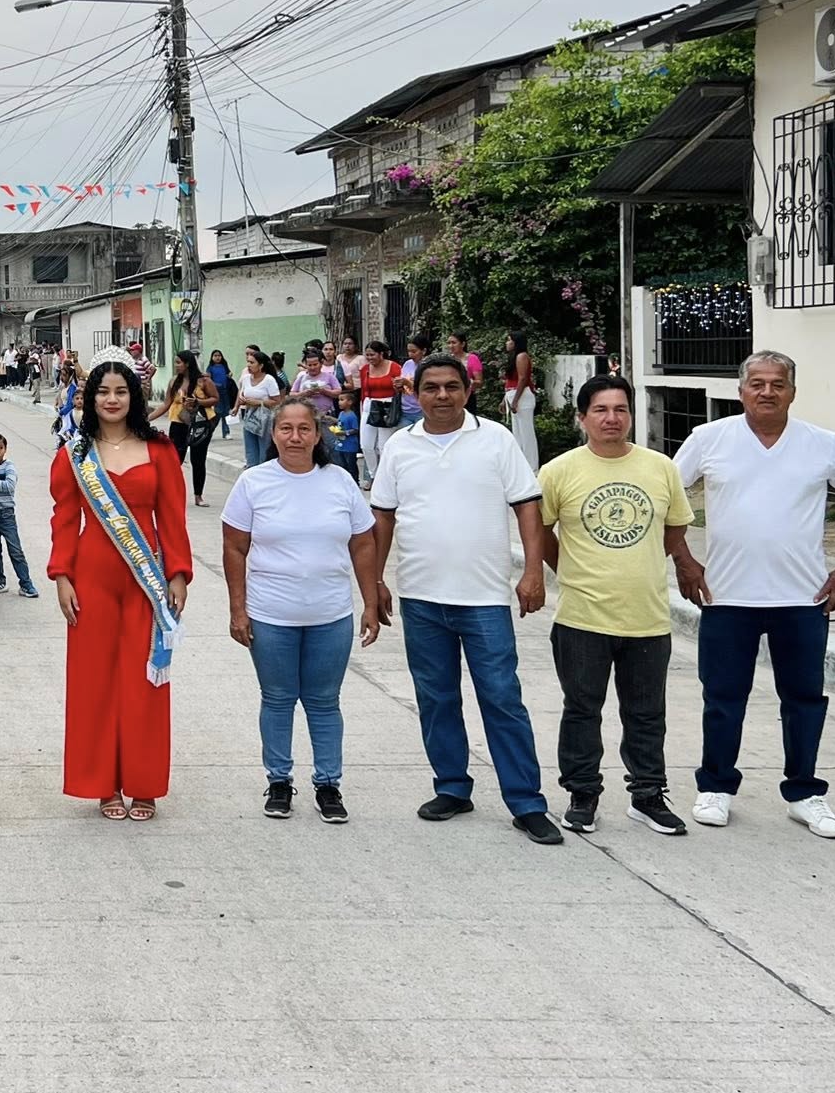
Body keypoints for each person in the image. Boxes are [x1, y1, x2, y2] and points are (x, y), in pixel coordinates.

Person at [672, 351, 835, 838]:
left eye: (778, 383)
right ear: (740, 390)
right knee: (723, 697)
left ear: (793, 391)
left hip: (803, 598)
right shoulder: (709, 439)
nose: (767, 392)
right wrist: (684, 560)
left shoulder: (823, 444)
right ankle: (715, 786)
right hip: (728, 596)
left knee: (804, 699)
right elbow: (664, 495)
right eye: (757, 383)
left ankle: (805, 793)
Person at [369, 353, 562, 846]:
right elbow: (383, 516)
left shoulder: (495, 439)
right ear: (415, 394)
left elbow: (527, 506)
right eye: (430, 387)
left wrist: (534, 572)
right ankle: (452, 787)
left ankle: (527, 802)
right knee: (436, 698)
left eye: (451, 387)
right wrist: (374, 581)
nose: (441, 396)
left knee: (501, 697)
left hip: (484, 599)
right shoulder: (400, 447)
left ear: (468, 390)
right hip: (420, 597)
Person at [537, 374, 697, 836]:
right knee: (581, 710)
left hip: (647, 617)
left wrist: (644, 560)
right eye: (601, 410)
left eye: (621, 409)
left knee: (646, 714)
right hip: (582, 617)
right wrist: (569, 569)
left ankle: (647, 795)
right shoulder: (558, 471)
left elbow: (676, 526)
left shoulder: (660, 468)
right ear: (582, 418)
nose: (612, 418)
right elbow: (539, 531)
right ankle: (582, 794)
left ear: (631, 415)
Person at [48, 351, 191, 822]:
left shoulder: (160, 450)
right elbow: (64, 519)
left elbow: (172, 518)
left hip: (146, 579)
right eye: (103, 392)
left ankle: (144, 784)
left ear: (134, 396)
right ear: (90, 398)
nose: (112, 399)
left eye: (121, 391)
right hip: (92, 578)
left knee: (145, 680)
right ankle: (104, 785)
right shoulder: (75, 455)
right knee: (95, 683)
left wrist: (177, 573)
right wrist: (62, 576)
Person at [224, 395, 379, 824]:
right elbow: (234, 548)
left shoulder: (340, 481)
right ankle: (278, 781)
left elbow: (363, 544)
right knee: (277, 700)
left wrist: (370, 602)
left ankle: (328, 785)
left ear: (317, 434)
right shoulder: (253, 483)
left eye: (304, 429)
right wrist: (238, 609)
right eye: (286, 429)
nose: (295, 437)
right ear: (273, 434)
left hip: (330, 616)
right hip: (271, 616)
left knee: (324, 702)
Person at [152, 350, 218, 508]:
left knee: (198, 460)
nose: (176, 366)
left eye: (178, 362)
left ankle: (198, 496)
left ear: (187, 363)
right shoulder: (174, 381)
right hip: (178, 424)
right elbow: (166, 404)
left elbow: (215, 398)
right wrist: (147, 418)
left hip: (199, 424)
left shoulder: (203, 381)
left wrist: (197, 402)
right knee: (174, 460)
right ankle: (168, 494)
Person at [0, 432, 38, 598]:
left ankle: (26, 584)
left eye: (0, 448)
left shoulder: (9, 467)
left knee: (15, 550)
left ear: (5, 449)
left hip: (6, 516)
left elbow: (10, 486)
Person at [357, 340, 404, 483]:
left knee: (383, 446)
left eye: (372, 355)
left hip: (387, 405)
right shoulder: (365, 369)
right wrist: (362, 408)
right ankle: (374, 474)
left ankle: (385, 477)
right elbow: (363, 391)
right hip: (370, 404)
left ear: (381, 354)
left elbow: (401, 388)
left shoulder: (394, 367)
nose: (369, 358)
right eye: (367, 355)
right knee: (366, 445)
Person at [232, 347, 281, 469]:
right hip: (249, 417)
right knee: (250, 448)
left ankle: (264, 471)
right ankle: (251, 469)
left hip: (265, 419)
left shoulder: (269, 380)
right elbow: (241, 393)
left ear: (261, 365)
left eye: (252, 362)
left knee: (264, 448)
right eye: (248, 362)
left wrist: (259, 402)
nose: (248, 365)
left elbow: (277, 401)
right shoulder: (246, 379)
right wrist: (239, 404)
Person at [504, 330, 538, 472]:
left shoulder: (522, 356)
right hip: (514, 394)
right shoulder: (515, 357)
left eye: (509, 340)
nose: (507, 343)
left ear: (516, 342)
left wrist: (515, 400)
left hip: (522, 396)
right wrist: (505, 400)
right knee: (518, 433)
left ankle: (532, 467)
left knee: (526, 433)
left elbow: (523, 379)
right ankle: (522, 465)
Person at [330, 399, 362, 484]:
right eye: (339, 400)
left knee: (351, 465)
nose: (339, 402)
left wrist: (344, 433)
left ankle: (354, 482)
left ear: (350, 402)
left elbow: (355, 429)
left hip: (350, 446)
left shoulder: (352, 416)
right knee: (342, 465)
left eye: (342, 400)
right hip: (340, 444)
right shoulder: (341, 413)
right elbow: (340, 424)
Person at [207, 349, 234, 439]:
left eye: (219, 355)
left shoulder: (224, 366)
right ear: (212, 357)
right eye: (215, 356)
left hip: (225, 392)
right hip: (216, 393)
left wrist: (229, 374)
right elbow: (209, 379)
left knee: (226, 412)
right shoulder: (210, 368)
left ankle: (226, 432)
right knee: (217, 413)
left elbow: (228, 373)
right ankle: (209, 431)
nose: (217, 357)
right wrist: (216, 385)